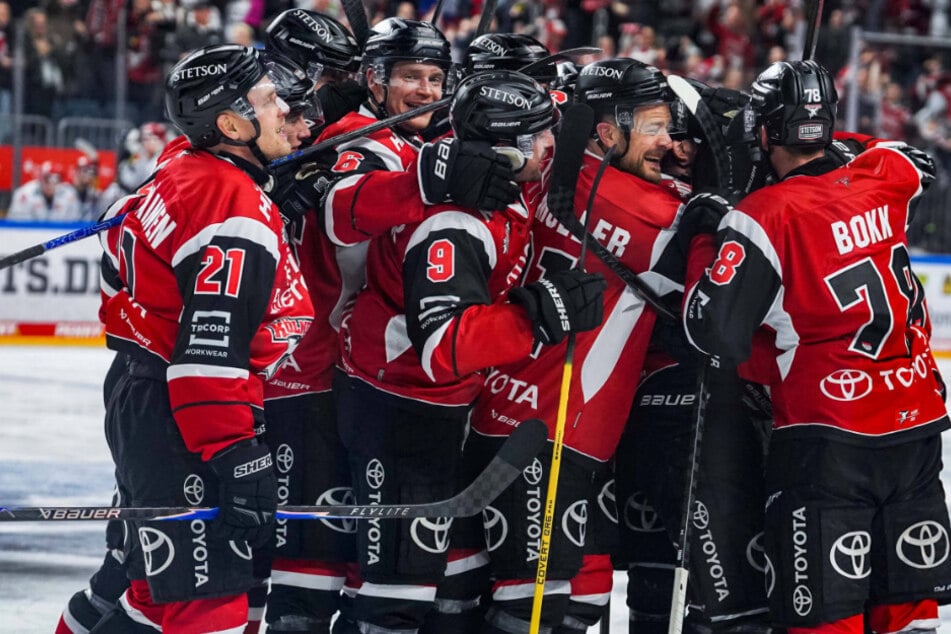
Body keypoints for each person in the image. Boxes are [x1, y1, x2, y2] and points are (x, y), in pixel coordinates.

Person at [681, 59, 951, 634]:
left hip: (828, 440)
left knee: (824, 619)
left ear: (763, 132)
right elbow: (896, 153)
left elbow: (713, 332)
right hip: (917, 426)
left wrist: (706, 236)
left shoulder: (764, 215)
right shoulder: (887, 175)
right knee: (908, 616)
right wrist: (831, 140)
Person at [332, 69, 605, 634]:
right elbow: (444, 348)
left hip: (439, 408)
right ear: (506, 146)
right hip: (399, 409)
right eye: (538, 135)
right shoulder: (457, 221)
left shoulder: (498, 190)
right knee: (397, 595)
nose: (550, 146)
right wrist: (539, 315)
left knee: (449, 580)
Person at [86, 43, 314, 632]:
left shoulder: (181, 164)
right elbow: (209, 351)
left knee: (151, 597)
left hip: (147, 399)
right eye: (271, 100)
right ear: (231, 125)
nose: (286, 110)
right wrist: (234, 453)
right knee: (208, 607)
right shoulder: (233, 209)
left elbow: (119, 244)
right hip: (184, 418)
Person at [454, 58, 687, 634]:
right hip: (559, 428)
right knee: (534, 607)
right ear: (606, 132)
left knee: (500, 591)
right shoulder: (650, 213)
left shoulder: (547, 160)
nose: (669, 142)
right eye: (655, 127)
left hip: (497, 407)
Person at [6, 161, 81, 221]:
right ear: (40, 179)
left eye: (56, 179)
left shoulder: (70, 195)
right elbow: (18, 225)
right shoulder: (24, 194)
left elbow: (74, 223)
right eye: (47, 179)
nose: (51, 184)